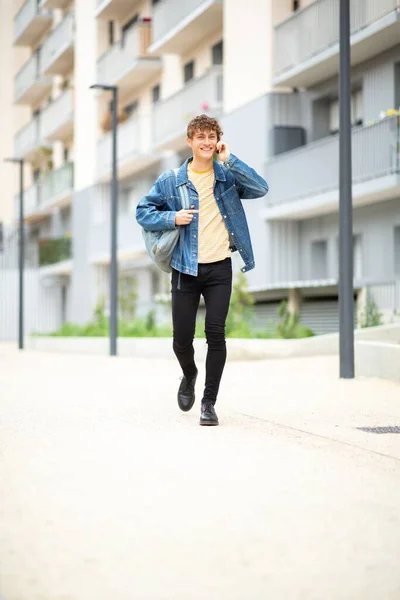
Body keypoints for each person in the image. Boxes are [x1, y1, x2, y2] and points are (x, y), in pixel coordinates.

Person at [136, 114, 268, 426]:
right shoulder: (172, 181)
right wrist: (172, 218)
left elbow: (261, 188)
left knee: (216, 334)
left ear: (217, 139)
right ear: (190, 141)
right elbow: (143, 211)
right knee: (181, 339)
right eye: (201, 137)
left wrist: (230, 159)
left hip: (220, 267)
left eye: (212, 136)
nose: (207, 142)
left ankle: (208, 403)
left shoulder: (227, 176)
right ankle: (189, 373)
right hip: (185, 268)